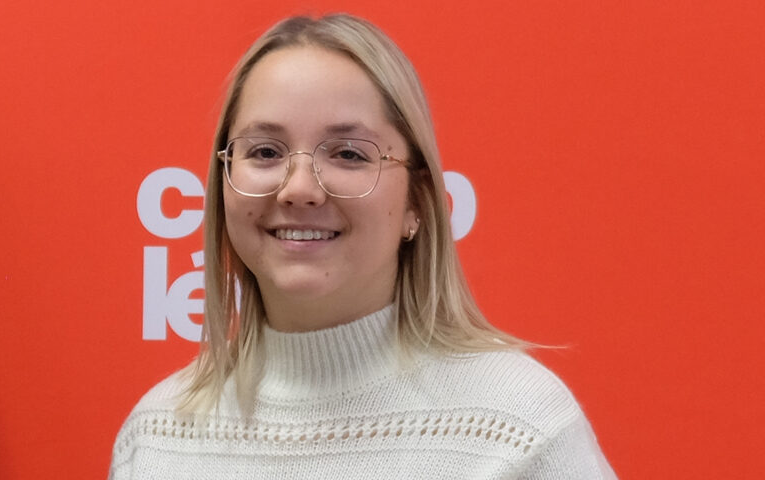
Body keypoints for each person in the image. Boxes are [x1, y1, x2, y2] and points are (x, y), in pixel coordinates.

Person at [109, 14, 616, 479]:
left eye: (349, 154)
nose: (299, 188)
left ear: (416, 200)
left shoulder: (518, 430)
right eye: (264, 151)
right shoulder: (155, 439)